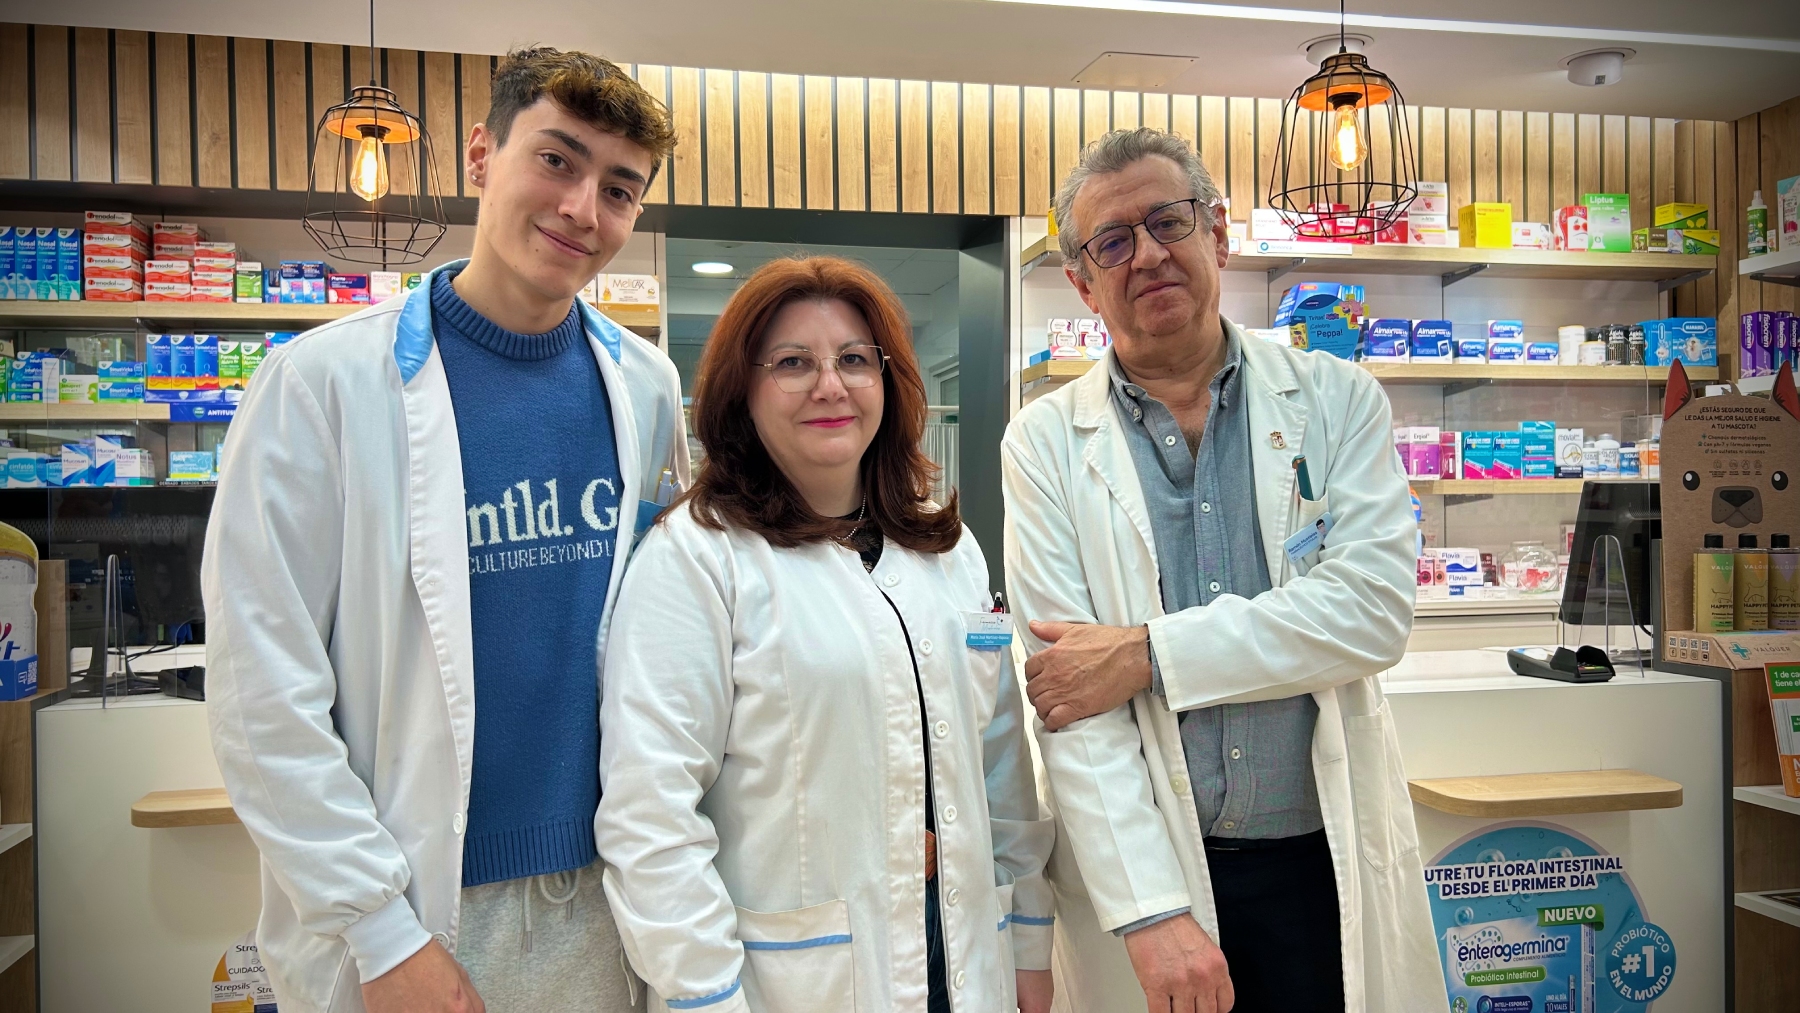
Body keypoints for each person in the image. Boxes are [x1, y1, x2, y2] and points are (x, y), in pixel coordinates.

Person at [203, 48, 688, 1013]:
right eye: (557, 160)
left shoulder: (646, 387)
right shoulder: (321, 384)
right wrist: (383, 934)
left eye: (619, 189)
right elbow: (261, 689)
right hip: (414, 908)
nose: (582, 208)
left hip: (609, 901)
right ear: (480, 156)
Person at [1000, 127, 1441, 1013]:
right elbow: (1069, 697)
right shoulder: (1044, 443)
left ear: (1219, 234)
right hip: (1154, 873)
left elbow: (1371, 613)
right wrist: (1151, 912)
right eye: (1112, 242)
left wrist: (1144, 654)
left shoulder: (1337, 398)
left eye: (1169, 221)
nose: (1148, 254)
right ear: (1083, 284)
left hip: (1321, 865)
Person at [596, 257, 1056, 1013]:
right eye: (792, 363)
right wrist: (704, 995)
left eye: (853, 359)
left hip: (967, 956)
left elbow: (999, 762)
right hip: (797, 983)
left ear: (889, 381)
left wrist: (1029, 935)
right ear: (741, 391)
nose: (830, 385)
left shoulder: (947, 550)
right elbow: (651, 816)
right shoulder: (697, 559)